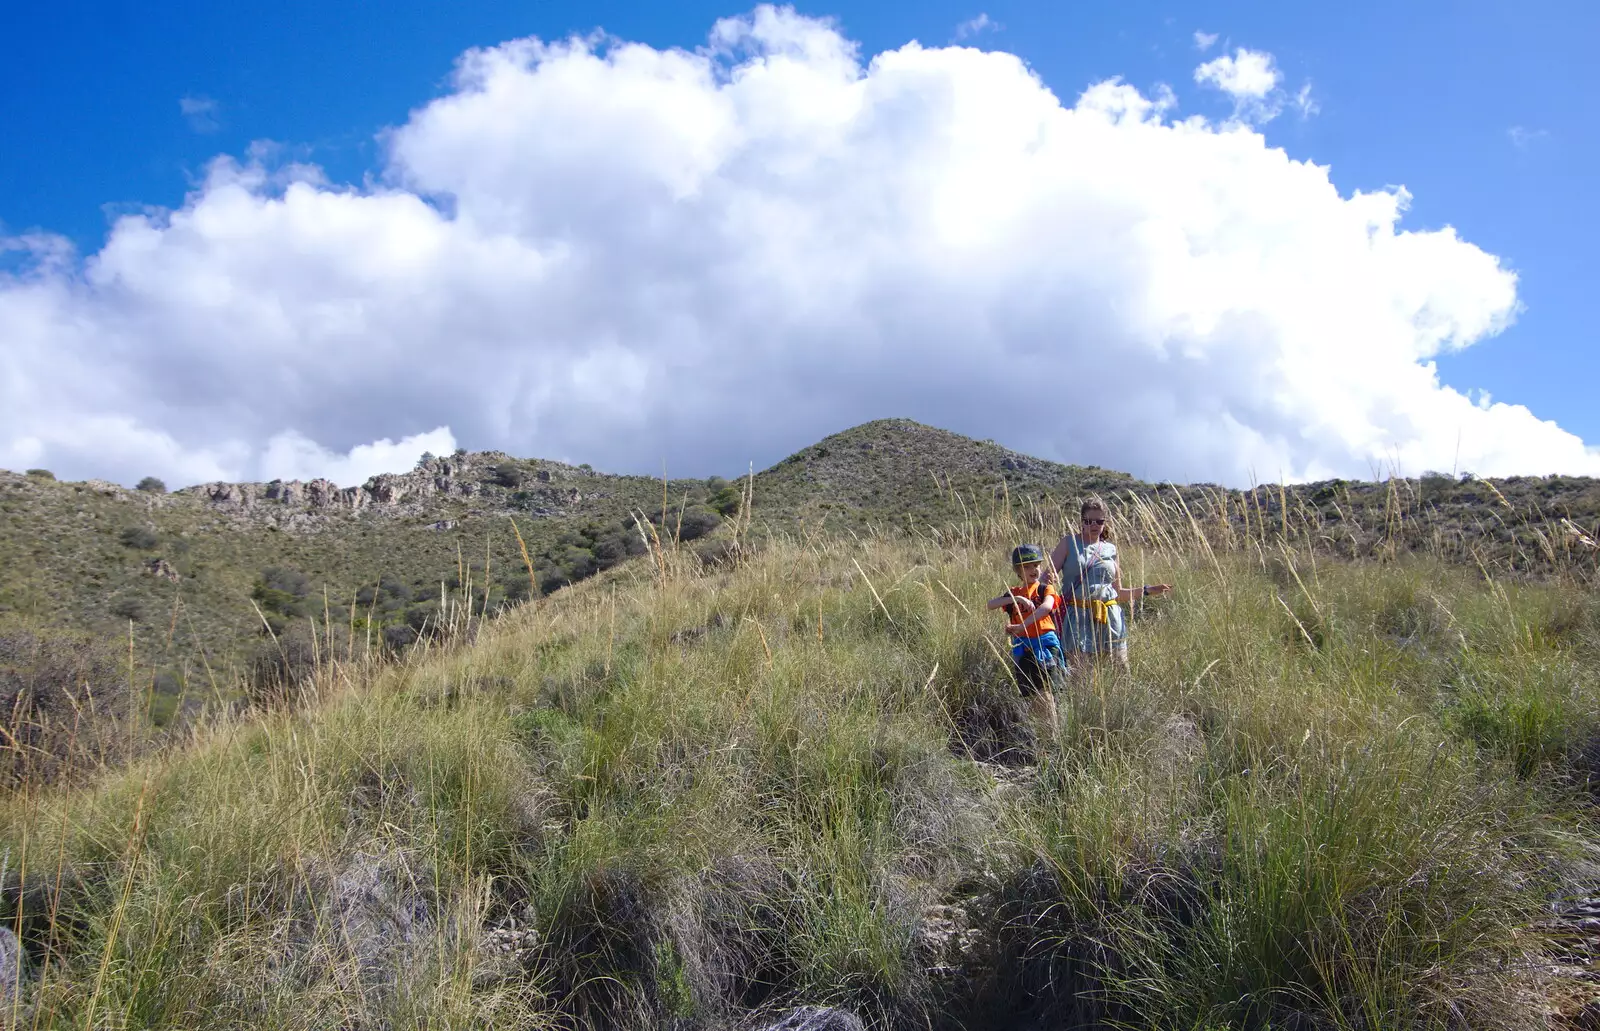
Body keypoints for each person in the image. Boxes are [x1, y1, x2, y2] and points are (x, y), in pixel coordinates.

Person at [1048, 497, 1172, 672]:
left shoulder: (1111, 549)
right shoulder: (1068, 543)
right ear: (1081, 521)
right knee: (1080, 675)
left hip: (1109, 616)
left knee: (1120, 669)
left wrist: (1147, 590)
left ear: (1105, 523)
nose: (1094, 525)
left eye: (1099, 521)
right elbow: (1045, 578)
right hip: (1078, 616)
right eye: (1088, 521)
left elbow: (1118, 593)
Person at [986, 544, 1063, 733]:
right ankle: (1040, 736)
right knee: (1032, 694)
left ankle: (1052, 737)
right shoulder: (1014, 593)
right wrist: (1017, 600)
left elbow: (1046, 607)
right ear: (1018, 570)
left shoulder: (1045, 589)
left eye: (1036, 565)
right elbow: (991, 604)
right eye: (1027, 566)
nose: (1033, 570)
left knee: (1046, 692)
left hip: (1045, 644)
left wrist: (1021, 626)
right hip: (1023, 647)